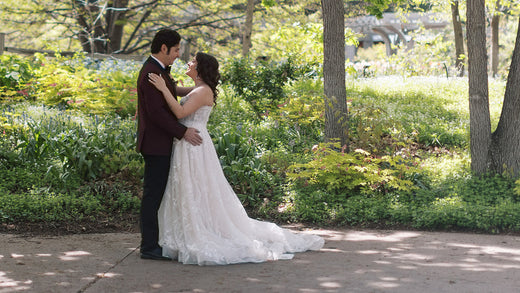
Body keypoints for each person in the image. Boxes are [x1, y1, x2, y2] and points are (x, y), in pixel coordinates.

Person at [148, 52, 324, 265]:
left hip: (194, 145)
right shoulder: (198, 89)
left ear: (201, 68)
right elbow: (176, 91)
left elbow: (179, 112)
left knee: (196, 187)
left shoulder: (203, 91)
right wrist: (164, 81)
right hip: (188, 144)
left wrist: (163, 89)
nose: (188, 62)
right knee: (190, 188)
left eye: (193, 61)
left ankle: (201, 229)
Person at [136, 29, 203, 261]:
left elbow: (170, 92)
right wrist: (183, 132)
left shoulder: (158, 71)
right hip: (155, 143)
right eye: (175, 50)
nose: (177, 55)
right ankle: (149, 247)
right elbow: (156, 114)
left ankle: (155, 243)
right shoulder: (150, 73)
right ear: (163, 48)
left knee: (157, 194)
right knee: (153, 196)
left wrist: (201, 89)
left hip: (161, 142)